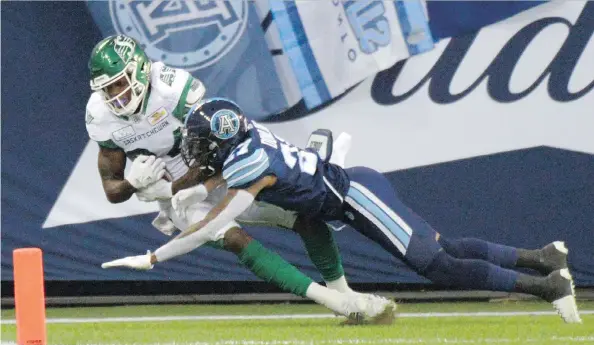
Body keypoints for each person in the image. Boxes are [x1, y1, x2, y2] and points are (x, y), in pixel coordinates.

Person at [120, 98, 581, 324]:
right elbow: (211, 177)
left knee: (437, 264)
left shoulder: (249, 165)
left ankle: (546, 288)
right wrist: (168, 188)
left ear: (223, 142)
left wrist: (159, 255)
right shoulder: (247, 145)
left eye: (202, 146)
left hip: (356, 197)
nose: (197, 155)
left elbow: (215, 220)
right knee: (444, 247)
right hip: (354, 187)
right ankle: (543, 257)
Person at [86, 34, 396, 324]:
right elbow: (112, 190)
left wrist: (167, 186)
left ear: (140, 70)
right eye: (107, 89)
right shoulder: (101, 117)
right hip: (179, 202)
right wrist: (133, 183)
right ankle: (334, 302)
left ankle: (344, 292)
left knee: (306, 216)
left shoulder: (171, 88)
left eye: (119, 84)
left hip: (217, 175)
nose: (115, 96)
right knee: (234, 238)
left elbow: (214, 151)